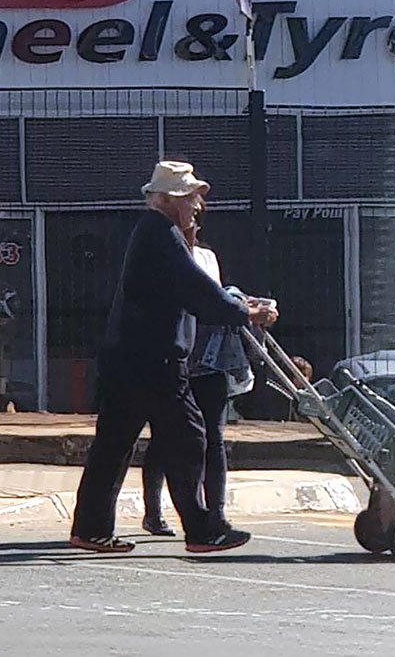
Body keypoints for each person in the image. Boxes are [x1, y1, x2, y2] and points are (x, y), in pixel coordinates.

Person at [69, 161, 277, 554]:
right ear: (172, 200)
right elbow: (194, 287)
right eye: (193, 196)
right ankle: (202, 529)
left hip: (128, 357)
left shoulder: (155, 233)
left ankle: (91, 528)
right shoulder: (162, 234)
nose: (199, 204)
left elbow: (193, 289)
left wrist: (233, 305)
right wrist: (244, 313)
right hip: (154, 360)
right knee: (189, 437)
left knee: (113, 444)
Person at [142, 198, 274, 539]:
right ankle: (154, 511)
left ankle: (215, 513)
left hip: (209, 361)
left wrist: (244, 306)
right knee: (166, 440)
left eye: (195, 222)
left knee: (213, 439)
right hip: (176, 361)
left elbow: (214, 298)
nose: (191, 227)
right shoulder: (163, 255)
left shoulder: (205, 258)